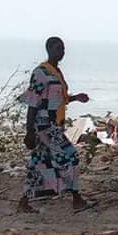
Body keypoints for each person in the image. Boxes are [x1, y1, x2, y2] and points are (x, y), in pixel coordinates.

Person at [17, 37, 94, 214]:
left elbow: (56, 99)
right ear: (49, 49)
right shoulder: (40, 73)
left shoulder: (56, 72)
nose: (62, 52)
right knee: (71, 156)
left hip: (54, 125)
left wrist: (75, 98)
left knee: (39, 163)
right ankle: (76, 199)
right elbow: (33, 102)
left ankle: (24, 201)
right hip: (45, 126)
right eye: (58, 48)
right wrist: (29, 131)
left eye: (63, 48)